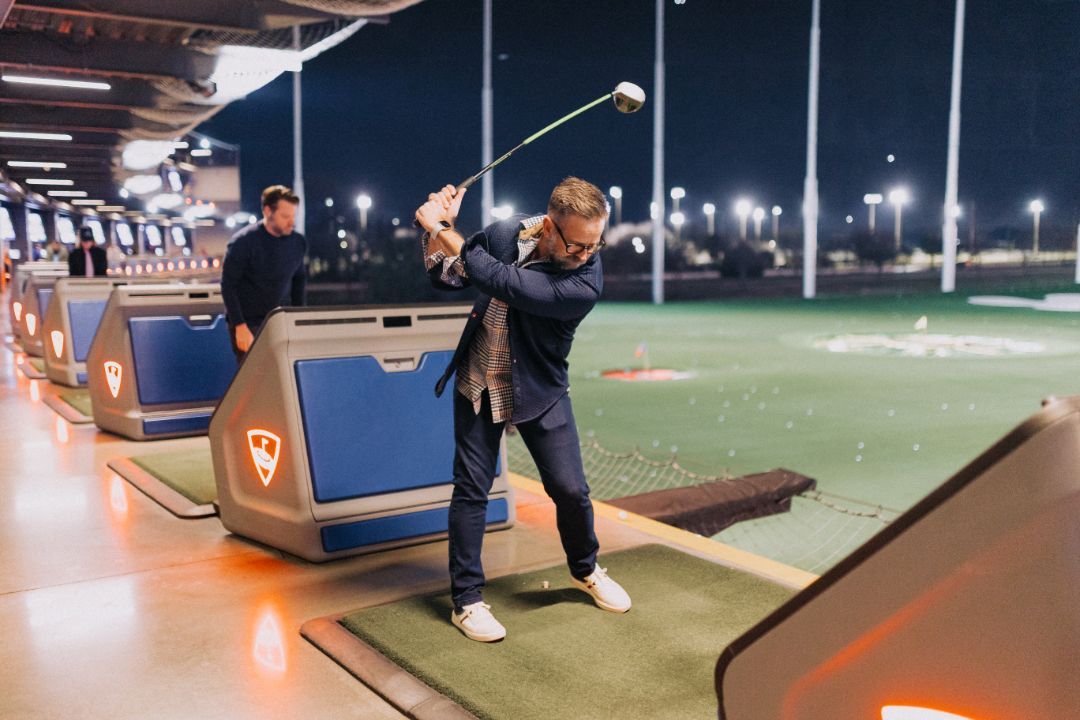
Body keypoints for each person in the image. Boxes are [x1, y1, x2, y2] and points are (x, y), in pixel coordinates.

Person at [414, 176, 630, 643]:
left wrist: (444, 225)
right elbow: (449, 274)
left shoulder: (584, 283)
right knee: (471, 490)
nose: (587, 255)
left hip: (540, 387)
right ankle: (467, 601)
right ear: (549, 227)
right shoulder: (505, 233)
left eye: (596, 245)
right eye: (577, 245)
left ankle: (586, 569)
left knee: (571, 490)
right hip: (481, 376)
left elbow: (504, 282)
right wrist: (432, 231)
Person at [221, 185, 307, 360]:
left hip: (281, 322)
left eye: (293, 216)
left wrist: (299, 319)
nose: (292, 221)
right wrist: (239, 326)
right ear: (268, 211)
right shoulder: (242, 242)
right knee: (256, 380)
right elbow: (228, 285)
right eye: (285, 216)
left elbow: (299, 280)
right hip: (248, 323)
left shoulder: (298, 242)